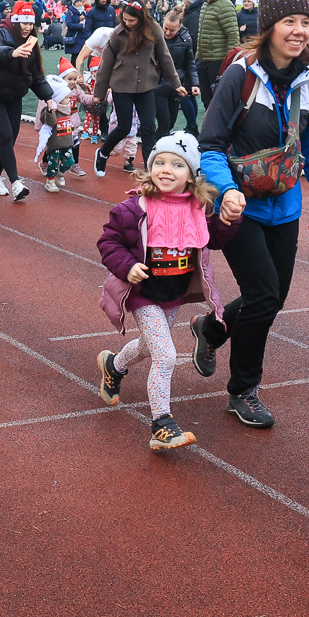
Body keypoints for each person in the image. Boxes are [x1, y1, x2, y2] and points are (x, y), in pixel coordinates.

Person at [195, 0, 309, 427]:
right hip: (237, 207)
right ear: (268, 27)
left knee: (272, 297)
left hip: (284, 206)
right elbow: (210, 145)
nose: (300, 30)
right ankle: (243, 391)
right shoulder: (240, 76)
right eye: (289, 21)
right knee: (264, 295)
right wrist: (226, 191)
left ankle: (209, 329)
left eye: (306, 21)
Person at [96, 132, 241, 449]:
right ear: (149, 167)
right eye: (159, 162)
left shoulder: (199, 208)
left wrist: (230, 219)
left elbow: (213, 239)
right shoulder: (135, 208)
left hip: (172, 294)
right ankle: (162, 424)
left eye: (177, 164)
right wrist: (126, 266)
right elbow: (109, 242)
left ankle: (114, 365)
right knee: (165, 355)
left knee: (149, 348)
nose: (166, 169)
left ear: (191, 175)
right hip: (143, 294)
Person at [92, 0, 185, 176]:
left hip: (147, 85)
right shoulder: (117, 34)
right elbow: (106, 64)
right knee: (124, 127)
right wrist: (99, 92)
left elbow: (165, 58)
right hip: (122, 85)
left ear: (141, 18)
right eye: (124, 19)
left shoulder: (154, 29)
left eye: (131, 20)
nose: (127, 23)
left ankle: (150, 170)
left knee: (149, 127)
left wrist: (176, 84)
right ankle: (103, 153)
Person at [0, 0, 55, 202]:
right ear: (15, 21)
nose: (27, 27)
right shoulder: (1, 34)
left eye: (31, 23)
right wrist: (12, 52)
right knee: (5, 134)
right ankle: (16, 183)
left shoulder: (32, 41)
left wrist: (48, 97)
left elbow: (36, 75)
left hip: (13, 95)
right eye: (24, 23)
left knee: (8, 139)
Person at [195, 0, 240, 109]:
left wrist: (228, 62)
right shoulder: (205, 5)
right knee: (206, 99)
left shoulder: (225, 6)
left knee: (218, 100)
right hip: (203, 60)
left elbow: (233, 35)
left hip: (217, 62)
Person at [155, 7, 200, 139]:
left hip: (176, 85)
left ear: (179, 27)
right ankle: (153, 151)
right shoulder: (155, 36)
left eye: (172, 30)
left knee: (170, 123)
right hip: (157, 85)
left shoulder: (185, 39)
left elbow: (190, 63)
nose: (167, 32)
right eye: (165, 28)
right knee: (164, 123)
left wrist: (194, 83)